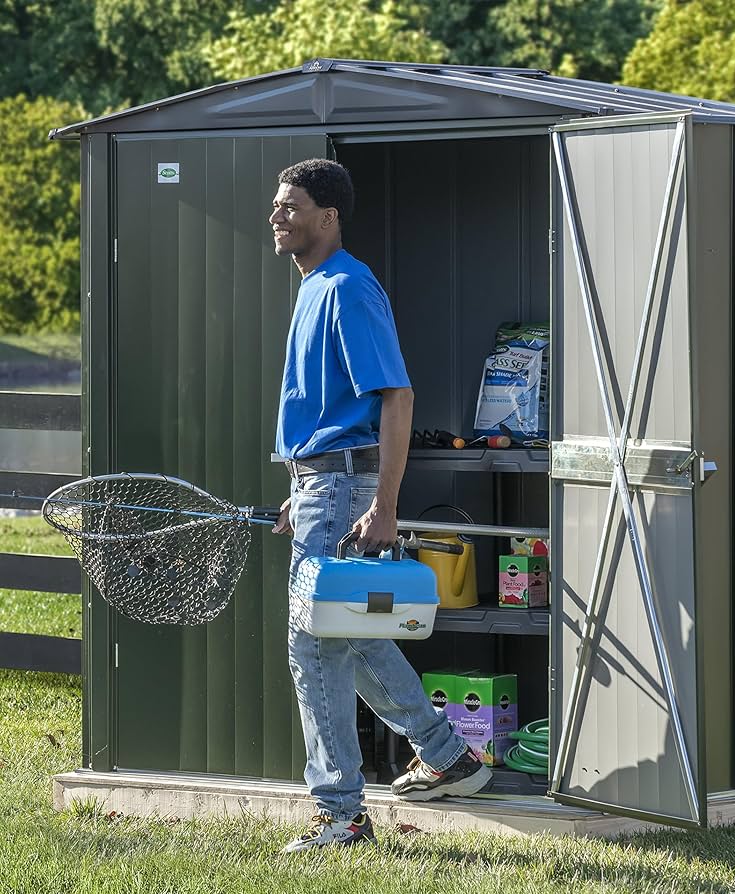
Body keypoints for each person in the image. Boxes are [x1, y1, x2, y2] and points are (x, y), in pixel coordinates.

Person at [269, 159, 492, 853]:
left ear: (328, 215)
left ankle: (340, 814)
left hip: (341, 488)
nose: (277, 216)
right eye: (277, 205)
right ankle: (448, 756)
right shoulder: (315, 286)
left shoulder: (347, 288)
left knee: (313, 643)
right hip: (322, 486)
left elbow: (398, 396)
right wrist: (302, 488)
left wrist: (384, 504)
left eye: (290, 206)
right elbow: (330, 415)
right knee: (349, 634)